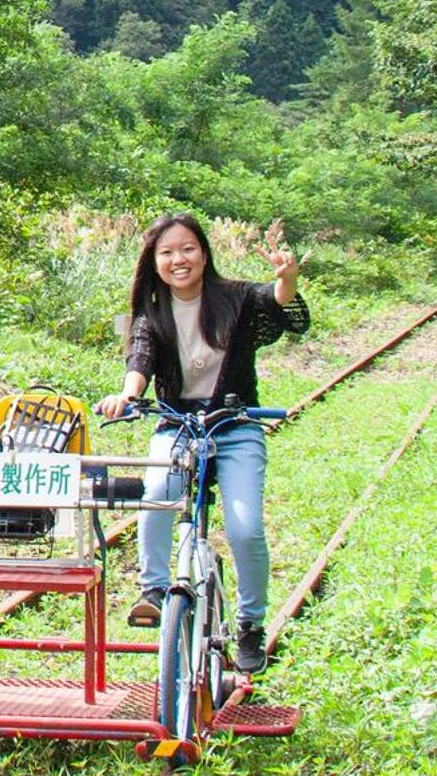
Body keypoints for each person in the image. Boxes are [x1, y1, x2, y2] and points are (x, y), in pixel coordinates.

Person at [95, 215, 309, 673]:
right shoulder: (153, 312)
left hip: (236, 424)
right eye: (167, 252)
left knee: (245, 527)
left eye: (187, 249)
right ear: (153, 263)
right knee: (156, 496)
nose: (178, 260)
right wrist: (128, 395)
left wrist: (287, 278)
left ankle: (251, 625)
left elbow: (278, 304)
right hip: (177, 424)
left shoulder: (235, 298)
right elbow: (140, 360)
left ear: (205, 253)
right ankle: (152, 590)